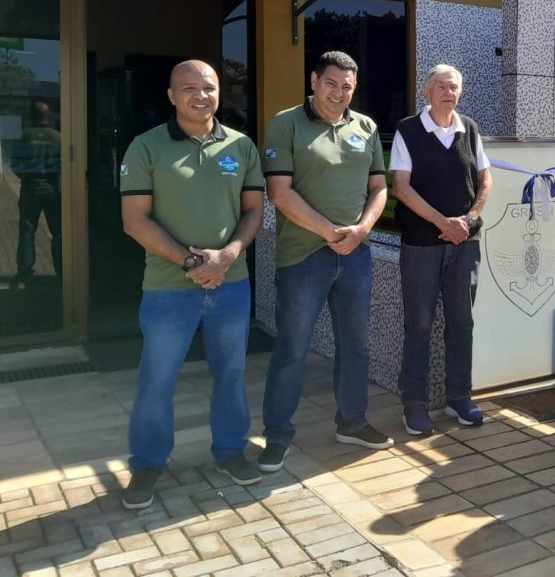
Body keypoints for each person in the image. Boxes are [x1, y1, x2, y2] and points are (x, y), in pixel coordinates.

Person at [119, 60, 265, 509]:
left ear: (220, 92)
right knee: (157, 379)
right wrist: (190, 261)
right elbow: (134, 221)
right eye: (188, 88)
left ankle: (230, 451)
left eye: (209, 87)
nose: (200, 95)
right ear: (171, 96)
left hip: (231, 285)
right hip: (168, 289)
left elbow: (253, 212)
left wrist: (227, 256)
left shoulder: (241, 147)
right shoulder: (145, 148)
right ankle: (146, 464)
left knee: (232, 373)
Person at [258, 51, 390, 472]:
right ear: (314, 80)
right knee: (292, 349)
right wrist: (329, 231)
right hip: (303, 257)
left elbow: (379, 188)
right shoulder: (286, 124)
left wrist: (363, 230)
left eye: (347, 87)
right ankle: (277, 436)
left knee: (356, 345)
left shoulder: (365, 127)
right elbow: (279, 193)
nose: (339, 93)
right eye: (331, 83)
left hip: (355, 255)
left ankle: (351, 421)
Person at [391, 64, 492, 436]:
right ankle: (413, 403)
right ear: (426, 91)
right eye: (441, 87)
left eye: (454, 87)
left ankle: (459, 397)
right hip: (421, 245)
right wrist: (442, 222)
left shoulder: (470, 128)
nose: (449, 93)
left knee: (462, 322)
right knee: (419, 324)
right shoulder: (407, 130)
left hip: (464, 243)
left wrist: (468, 219)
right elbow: (400, 187)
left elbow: (486, 180)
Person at [12, 100, 62, 282]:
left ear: (31, 116)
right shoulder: (58, 137)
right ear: (47, 116)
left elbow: (15, 164)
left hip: (30, 188)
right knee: (58, 233)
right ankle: (61, 270)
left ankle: (25, 271)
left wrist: (25, 178)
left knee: (27, 230)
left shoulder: (23, 136)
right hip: (52, 189)